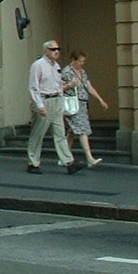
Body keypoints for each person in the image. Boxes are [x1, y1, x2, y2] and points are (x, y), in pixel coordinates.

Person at [27, 39, 83, 174]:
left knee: (60, 134)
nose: (56, 51)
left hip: (56, 101)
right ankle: (33, 163)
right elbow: (34, 87)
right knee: (38, 134)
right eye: (53, 49)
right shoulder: (38, 65)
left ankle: (69, 162)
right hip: (44, 101)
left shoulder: (56, 66)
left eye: (58, 49)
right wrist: (40, 105)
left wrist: (62, 102)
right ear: (46, 51)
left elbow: (58, 86)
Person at [62, 49, 109, 167]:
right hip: (73, 104)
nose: (82, 64)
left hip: (82, 104)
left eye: (83, 61)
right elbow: (59, 88)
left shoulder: (82, 72)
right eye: (80, 61)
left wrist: (100, 99)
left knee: (72, 131)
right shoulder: (66, 72)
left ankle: (64, 157)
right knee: (82, 129)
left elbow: (89, 87)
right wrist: (69, 85)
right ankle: (89, 158)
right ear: (73, 60)